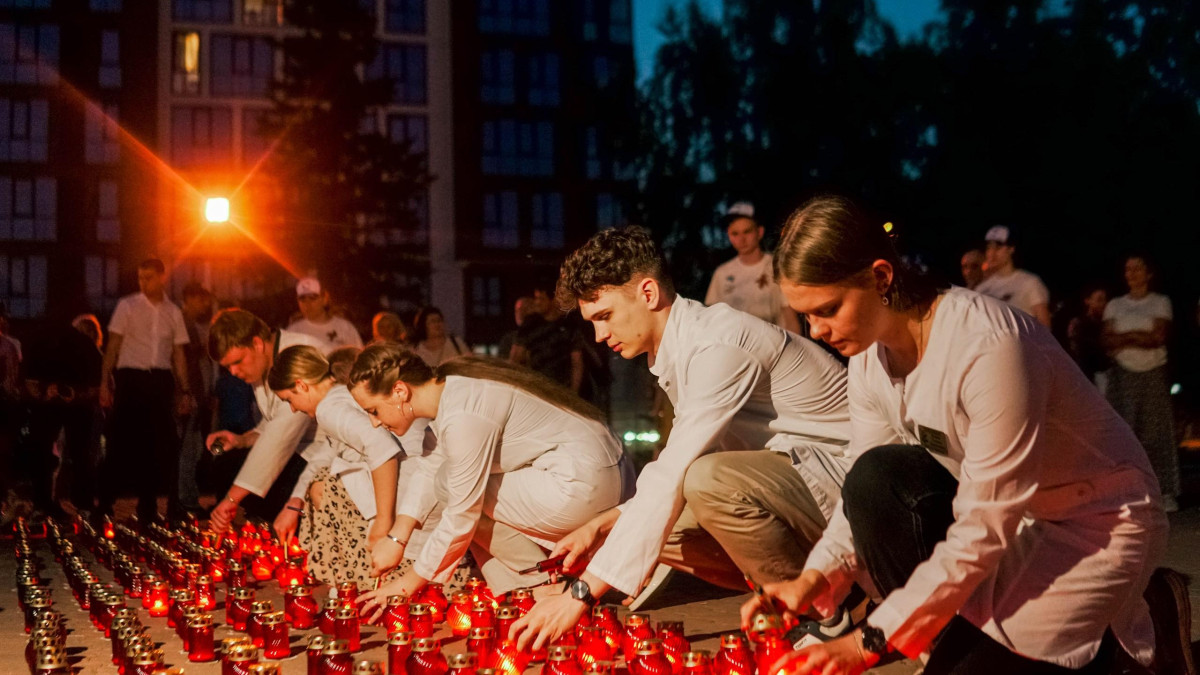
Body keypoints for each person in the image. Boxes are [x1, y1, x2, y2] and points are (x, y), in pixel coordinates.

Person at [741, 195, 1171, 675]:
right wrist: (814, 578)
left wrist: (869, 643)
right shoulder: (868, 356)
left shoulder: (989, 345)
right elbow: (861, 490)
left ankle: (1130, 627)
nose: (816, 331)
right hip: (1005, 522)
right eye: (805, 316)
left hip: (1096, 521)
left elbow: (985, 523)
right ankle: (954, 641)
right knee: (873, 478)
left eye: (827, 309)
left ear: (880, 277)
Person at [512, 226, 854, 650]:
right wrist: (601, 526)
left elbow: (676, 471)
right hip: (800, 479)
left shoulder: (716, 345)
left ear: (648, 293)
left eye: (605, 316)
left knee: (704, 480)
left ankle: (820, 610)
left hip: (849, 489)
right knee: (662, 521)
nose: (599, 335)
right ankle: (805, 583)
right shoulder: (681, 345)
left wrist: (580, 596)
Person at [350, 345, 634, 616]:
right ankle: (534, 581)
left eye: (373, 411)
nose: (375, 423)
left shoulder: (463, 412)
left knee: (456, 490)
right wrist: (396, 539)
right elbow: (430, 466)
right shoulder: (455, 386)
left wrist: (405, 585)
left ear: (400, 391)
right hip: (607, 474)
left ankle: (542, 582)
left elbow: (461, 513)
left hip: (583, 484)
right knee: (448, 480)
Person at [268, 345, 434, 586]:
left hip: (410, 488)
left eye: (289, 400)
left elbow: (381, 447)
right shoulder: (337, 397)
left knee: (326, 485)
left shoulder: (328, 408)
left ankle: (352, 579)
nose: (293, 409)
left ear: (301, 385)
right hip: (421, 484)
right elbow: (324, 455)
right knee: (323, 475)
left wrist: (383, 521)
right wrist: (295, 501)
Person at [204, 308, 326, 532]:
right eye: (228, 367)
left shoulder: (298, 354)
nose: (234, 372)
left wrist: (231, 500)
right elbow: (272, 421)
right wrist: (241, 440)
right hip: (301, 450)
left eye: (237, 361)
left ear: (257, 343)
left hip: (328, 453)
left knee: (266, 489)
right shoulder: (263, 361)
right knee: (226, 463)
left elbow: (281, 435)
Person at [97, 259, 193, 522]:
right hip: (131, 378)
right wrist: (105, 382)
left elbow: (178, 353)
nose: (143, 282)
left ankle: (148, 506)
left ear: (162, 277)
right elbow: (113, 345)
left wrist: (185, 390)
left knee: (159, 443)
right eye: (141, 277)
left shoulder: (173, 311)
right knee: (118, 440)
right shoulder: (127, 306)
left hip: (160, 379)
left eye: (149, 277)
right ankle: (104, 503)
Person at [1104, 255, 1180, 514]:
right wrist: (1139, 336)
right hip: (1123, 373)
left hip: (1153, 371)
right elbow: (1107, 340)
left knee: (1157, 433)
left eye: (1138, 268)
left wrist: (1124, 337)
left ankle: (1165, 491)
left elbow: (1157, 337)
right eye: (1128, 269)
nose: (1132, 273)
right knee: (1124, 434)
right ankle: (1127, 492)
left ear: (1149, 273)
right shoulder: (1115, 305)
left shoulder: (1160, 302)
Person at [705, 201, 802, 333]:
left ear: (760, 232)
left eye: (747, 231)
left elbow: (790, 318)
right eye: (735, 233)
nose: (741, 239)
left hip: (772, 341)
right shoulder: (722, 273)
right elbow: (713, 320)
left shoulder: (777, 266)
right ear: (729, 236)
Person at [177, 283, 217, 517]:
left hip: (196, 394)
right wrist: (187, 393)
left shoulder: (192, 325)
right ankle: (186, 500)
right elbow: (183, 359)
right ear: (190, 298)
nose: (205, 305)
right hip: (189, 396)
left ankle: (187, 498)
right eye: (202, 300)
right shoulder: (183, 323)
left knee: (192, 448)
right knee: (188, 449)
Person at [974, 225, 1051, 326]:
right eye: (989, 248)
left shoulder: (1030, 282)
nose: (991, 254)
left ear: (1011, 249)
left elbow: (1044, 325)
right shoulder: (981, 288)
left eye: (998, 248)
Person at [511, 289, 585, 392]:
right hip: (536, 388)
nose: (537, 303)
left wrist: (573, 392)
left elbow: (577, 363)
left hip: (562, 389)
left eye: (541, 299)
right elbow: (515, 359)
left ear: (553, 300)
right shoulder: (529, 325)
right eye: (536, 298)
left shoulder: (569, 325)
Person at [288, 277, 364, 352]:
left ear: (324, 299)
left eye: (312, 298)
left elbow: (359, 354)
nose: (307, 304)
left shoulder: (345, 328)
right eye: (302, 299)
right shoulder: (294, 331)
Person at [1065, 284, 1111, 391]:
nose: (1104, 304)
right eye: (1099, 300)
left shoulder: (1107, 323)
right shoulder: (1078, 323)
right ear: (1087, 301)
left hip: (1106, 375)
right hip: (1087, 377)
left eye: (1105, 300)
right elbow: (1077, 351)